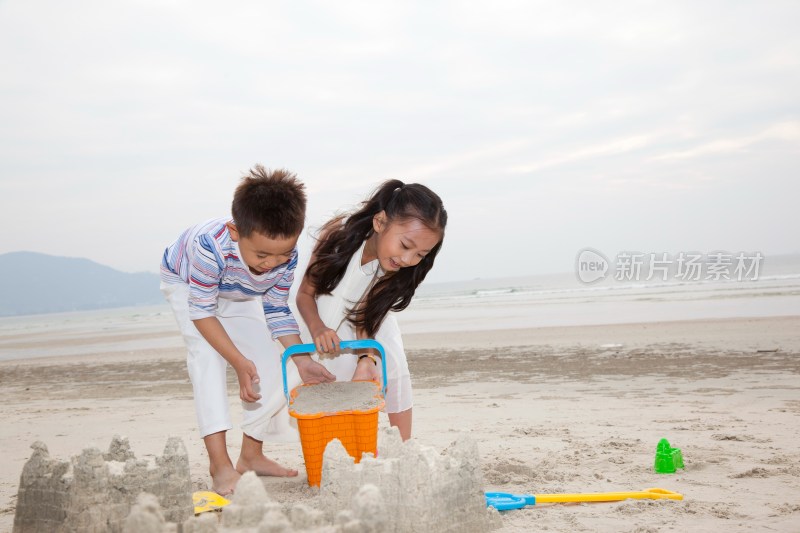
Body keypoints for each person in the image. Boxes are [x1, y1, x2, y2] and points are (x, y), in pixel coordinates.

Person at [159, 165, 335, 496]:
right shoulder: (209, 246)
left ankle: (251, 455)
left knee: (271, 363)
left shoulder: (287, 255)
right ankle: (220, 467)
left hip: (238, 289)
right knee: (207, 360)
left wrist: (301, 359)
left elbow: (276, 309)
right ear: (236, 231)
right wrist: (238, 361)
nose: (272, 263)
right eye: (263, 254)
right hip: (187, 282)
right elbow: (202, 311)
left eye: (283, 254)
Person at [295, 180, 447, 440]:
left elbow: (364, 315)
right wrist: (318, 327)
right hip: (321, 310)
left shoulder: (394, 268)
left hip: (368, 319)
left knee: (393, 363)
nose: (409, 260)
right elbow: (304, 294)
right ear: (379, 222)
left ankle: (403, 445)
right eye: (406, 246)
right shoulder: (337, 236)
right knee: (330, 373)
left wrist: (367, 357)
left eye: (421, 254)